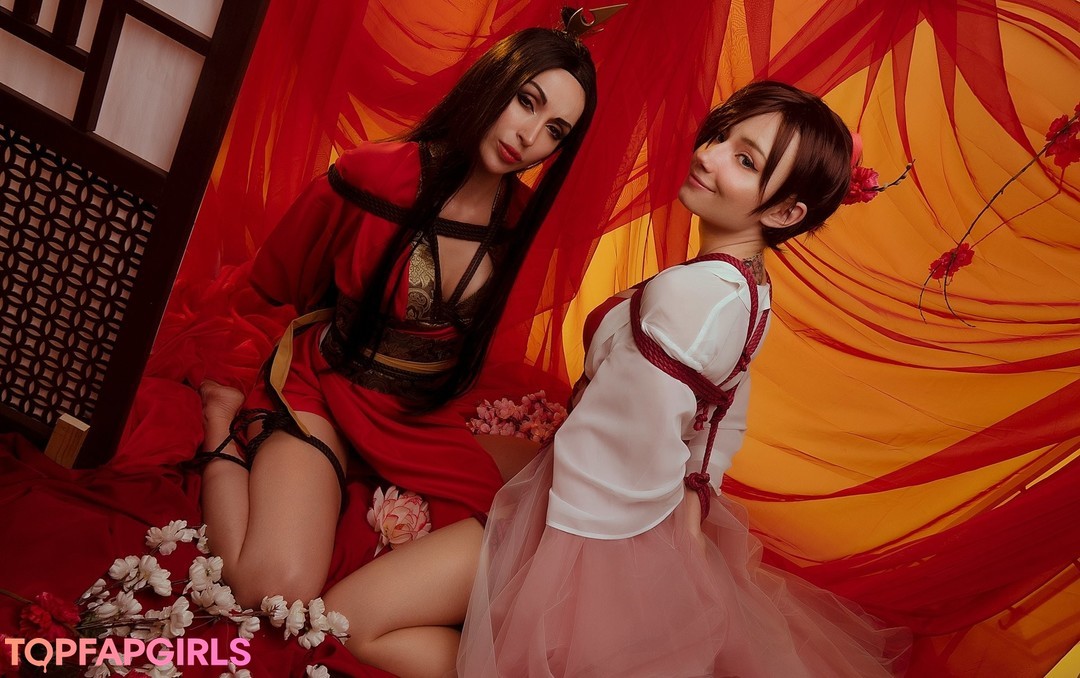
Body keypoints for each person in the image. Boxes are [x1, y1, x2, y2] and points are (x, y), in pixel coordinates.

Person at [314, 80, 910, 677]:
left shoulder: (693, 295)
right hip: (627, 510)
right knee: (439, 450)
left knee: (348, 618)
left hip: (579, 518)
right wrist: (694, 500)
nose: (708, 155)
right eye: (722, 135)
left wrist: (541, 562)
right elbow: (721, 415)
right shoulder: (748, 290)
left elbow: (612, 463)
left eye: (745, 161)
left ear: (784, 212)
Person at [194, 20, 597, 611]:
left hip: (416, 414)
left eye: (555, 129)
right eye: (526, 101)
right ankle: (219, 417)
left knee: (536, 553)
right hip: (327, 386)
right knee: (273, 588)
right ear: (494, 82)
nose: (529, 135)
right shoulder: (373, 176)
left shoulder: (519, 219)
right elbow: (276, 283)